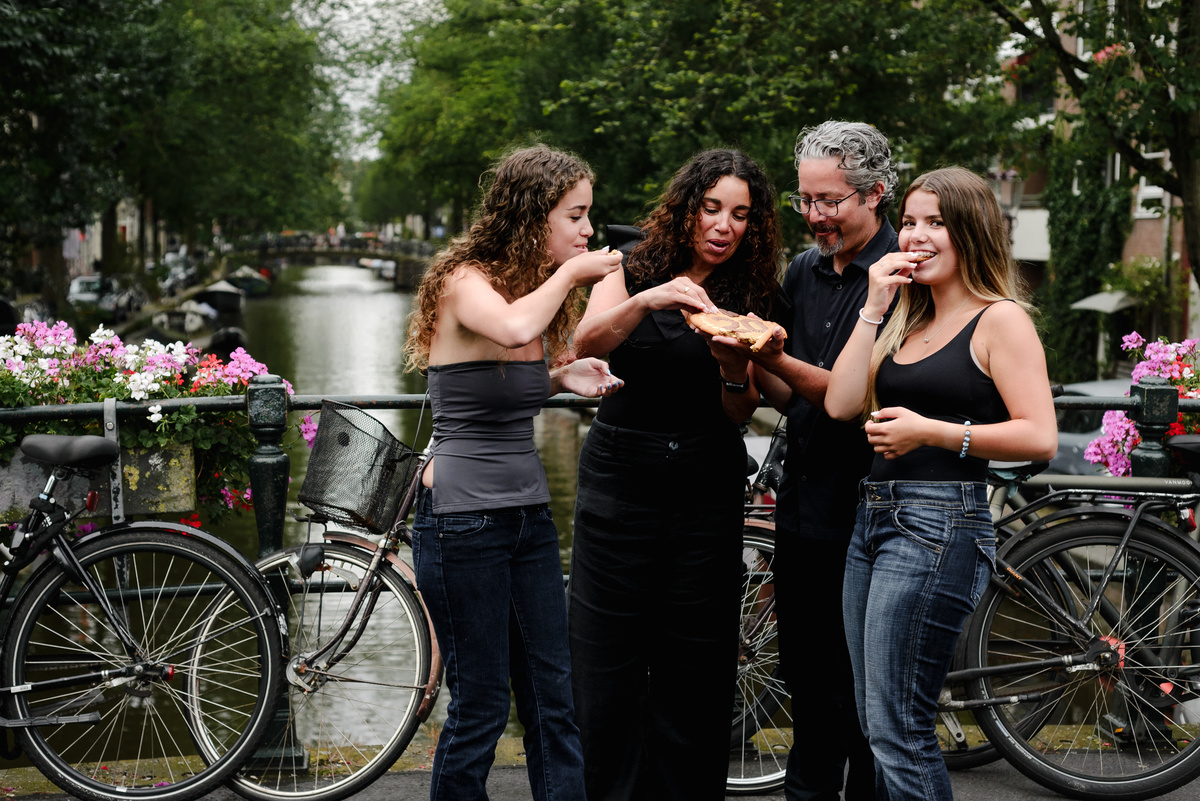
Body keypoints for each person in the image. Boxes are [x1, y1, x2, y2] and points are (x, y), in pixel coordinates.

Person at [823, 166, 1058, 799]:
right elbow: (842, 404)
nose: (917, 236)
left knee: (900, 730)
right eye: (909, 222)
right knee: (877, 724)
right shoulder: (901, 311)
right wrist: (871, 308)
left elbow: (1040, 435)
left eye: (936, 223)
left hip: (938, 524)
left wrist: (934, 431)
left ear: (970, 232)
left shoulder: (1000, 320)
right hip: (872, 519)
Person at [403, 144, 625, 801]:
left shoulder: (534, 290)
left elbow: (500, 383)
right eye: (575, 215)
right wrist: (576, 274)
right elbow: (509, 328)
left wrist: (560, 376)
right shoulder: (465, 282)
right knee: (480, 704)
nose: (587, 230)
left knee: (555, 699)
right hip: (462, 521)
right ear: (534, 215)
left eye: (588, 217)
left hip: (527, 517)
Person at [568, 148, 781, 801]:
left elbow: (742, 407)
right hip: (618, 483)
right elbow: (586, 341)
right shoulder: (629, 263)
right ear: (686, 207)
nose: (724, 225)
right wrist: (652, 297)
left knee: (695, 669)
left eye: (740, 214)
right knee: (607, 672)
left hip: (704, 486)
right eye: (712, 208)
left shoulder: (753, 291)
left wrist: (733, 367)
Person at [748, 120, 899, 801]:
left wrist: (776, 360)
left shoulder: (905, 275)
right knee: (806, 680)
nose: (814, 216)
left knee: (867, 698)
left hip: (876, 508)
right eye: (805, 200)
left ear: (876, 194)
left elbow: (850, 397)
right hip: (803, 503)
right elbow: (786, 394)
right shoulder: (804, 271)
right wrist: (745, 358)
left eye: (830, 201)